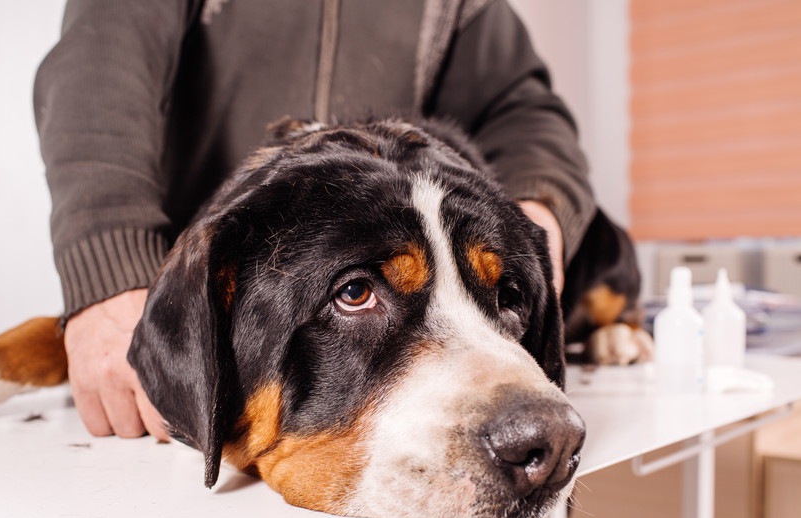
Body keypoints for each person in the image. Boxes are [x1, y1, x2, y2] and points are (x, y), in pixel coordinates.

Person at [34, 0, 595, 440]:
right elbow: (102, 59)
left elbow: (523, 111)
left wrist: (531, 217)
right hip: (191, 302)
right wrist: (109, 273)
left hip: (385, 375)